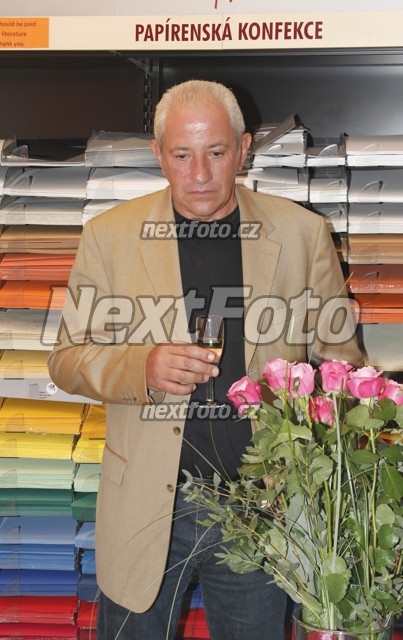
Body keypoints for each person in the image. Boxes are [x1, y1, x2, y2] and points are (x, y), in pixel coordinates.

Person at [48, 79, 364, 640]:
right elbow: (68, 359)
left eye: (216, 153)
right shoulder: (108, 237)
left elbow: (344, 373)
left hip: (261, 509)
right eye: (181, 155)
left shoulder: (302, 233)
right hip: (145, 507)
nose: (199, 174)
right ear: (157, 153)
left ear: (243, 149)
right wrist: (141, 369)